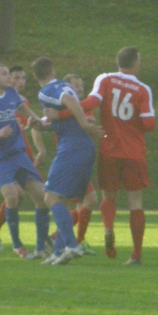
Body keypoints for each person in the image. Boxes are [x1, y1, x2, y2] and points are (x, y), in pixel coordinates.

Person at [50, 48, 155, 264]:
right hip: (134, 152)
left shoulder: (105, 79)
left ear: (118, 62)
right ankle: (136, 255)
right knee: (135, 201)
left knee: (109, 196)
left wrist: (61, 114)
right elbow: (149, 123)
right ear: (135, 63)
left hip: (109, 149)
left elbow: (89, 103)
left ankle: (108, 228)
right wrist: (132, 124)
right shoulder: (143, 89)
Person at [0, 63, 51, 259]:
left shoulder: (11, 93)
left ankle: (40, 248)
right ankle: (17, 246)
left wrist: (37, 120)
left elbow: (22, 108)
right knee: (12, 196)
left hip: (17, 153)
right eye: (4, 74)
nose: (8, 77)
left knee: (43, 197)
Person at [33, 56, 103, 265]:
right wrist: (43, 125)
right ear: (52, 71)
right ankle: (58, 251)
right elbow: (66, 112)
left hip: (72, 147)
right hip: (81, 147)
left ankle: (72, 245)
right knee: (62, 200)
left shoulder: (46, 90)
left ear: (36, 77)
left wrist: (84, 124)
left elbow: (70, 102)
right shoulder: (64, 85)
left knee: (50, 198)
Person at [63, 73, 99, 249]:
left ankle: (57, 239)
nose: (80, 88)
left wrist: (94, 128)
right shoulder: (65, 108)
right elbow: (42, 125)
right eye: (76, 85)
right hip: (71, 159)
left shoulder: (84, 107)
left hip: (82, 160)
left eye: (81, 85)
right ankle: (77, 241)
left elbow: (92, 132)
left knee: (81, 205)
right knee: (90, 200)